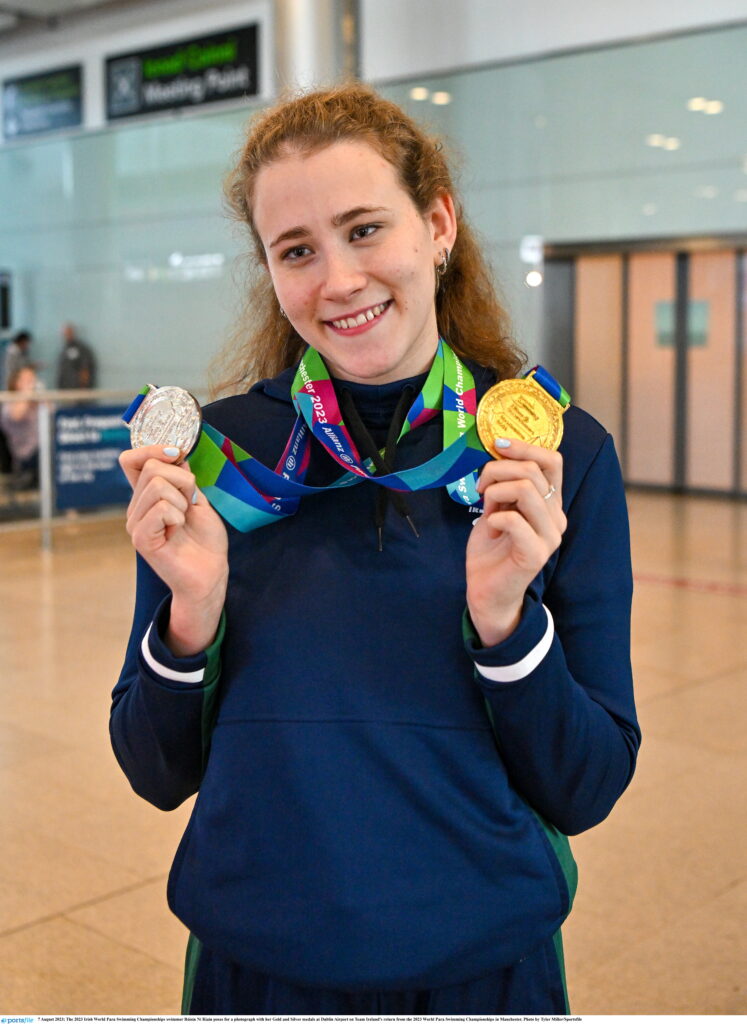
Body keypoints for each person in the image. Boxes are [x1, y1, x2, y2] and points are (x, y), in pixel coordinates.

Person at [111, 83, 640, 1015]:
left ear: (436, 224)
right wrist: (189, 620)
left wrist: (507, 627)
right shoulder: (213, 462)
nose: (338, 281)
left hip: (481, 964)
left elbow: (587, 784)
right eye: (297, 251)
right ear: (269, 270)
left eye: (364, 230)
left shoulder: (551, 455)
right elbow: (155, 774)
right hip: (255, 965)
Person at [1, 364, 40, 489]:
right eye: (28, 380)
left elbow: (53, 413)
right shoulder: (9, 404)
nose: (32, 383)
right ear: (17, 383)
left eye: (33, 379)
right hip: (26, 456)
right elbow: (17, 415)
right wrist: (27, 393)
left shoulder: (35, 402)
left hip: (44, 450)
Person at [57, 322, 95, 389]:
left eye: (68, 333)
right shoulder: (65, 348)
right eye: (65, 333)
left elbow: (85, 368)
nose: (66, 335)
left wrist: (83, 386)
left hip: (77, 388)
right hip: (65, 388)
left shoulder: (81, 348)